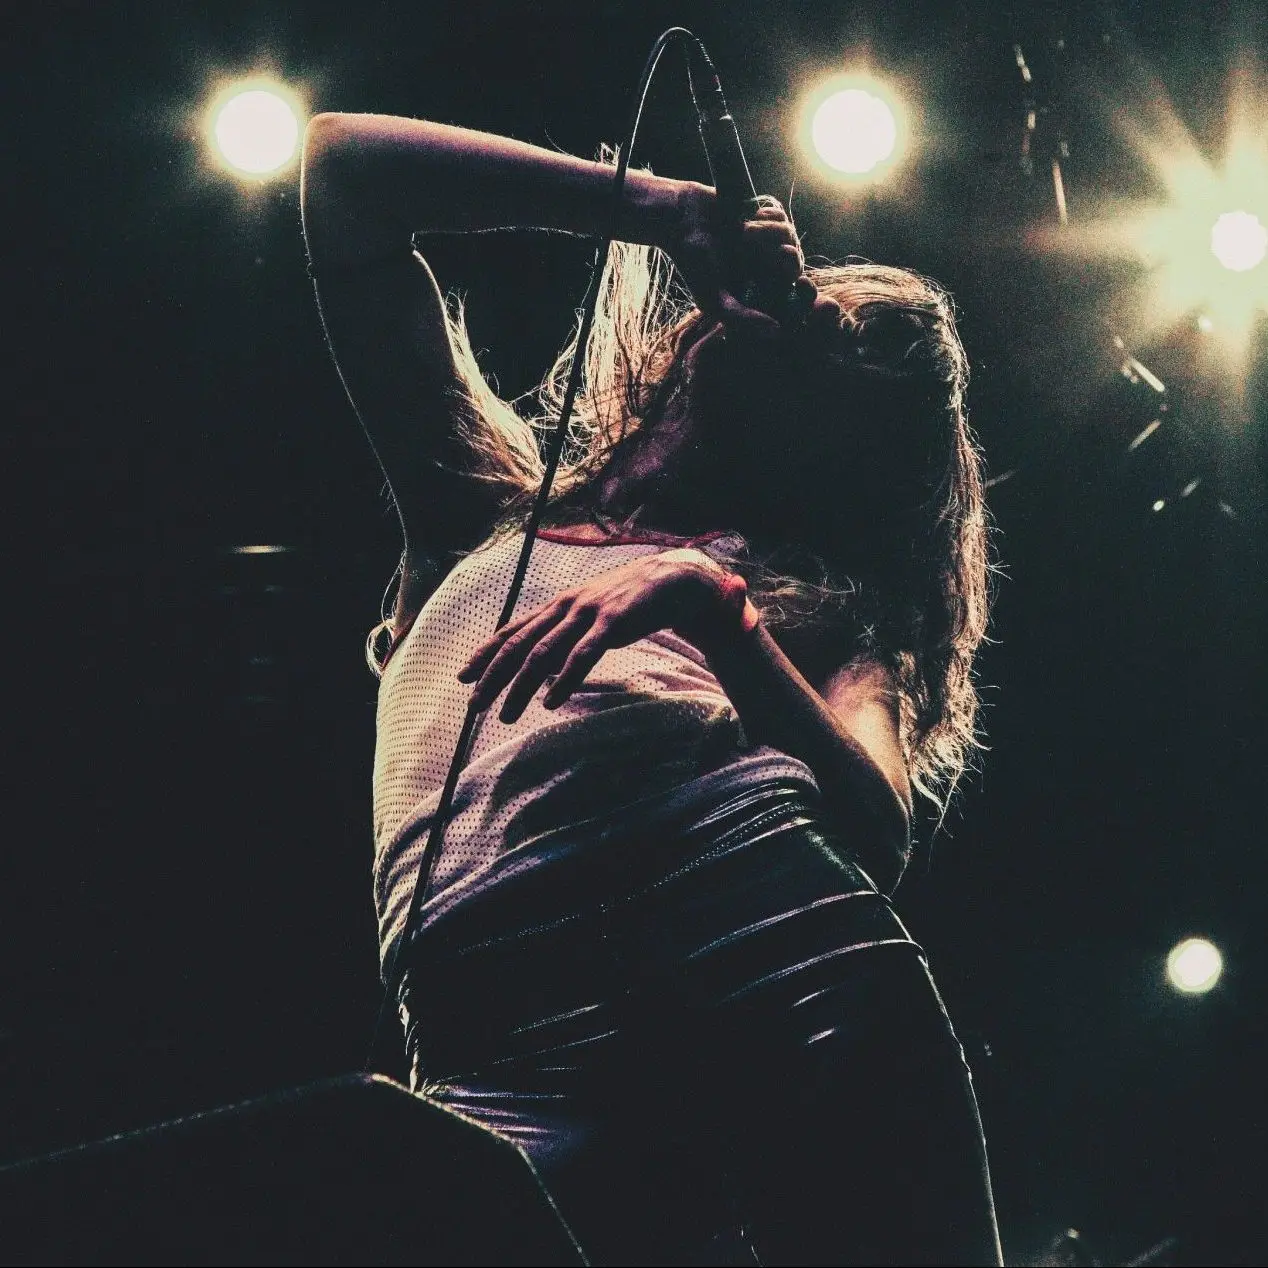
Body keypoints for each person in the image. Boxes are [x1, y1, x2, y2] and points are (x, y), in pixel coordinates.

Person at [300, 110, 1003, 1267]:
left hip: (780, 982)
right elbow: (342, 174)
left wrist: (707, 606)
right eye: (821, 298)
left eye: (837, 345)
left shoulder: (805, 606)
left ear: (829, 443)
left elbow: (874, 828)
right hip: (492, 1040)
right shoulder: (486, 508)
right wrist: (659, 208)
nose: (803, 314)